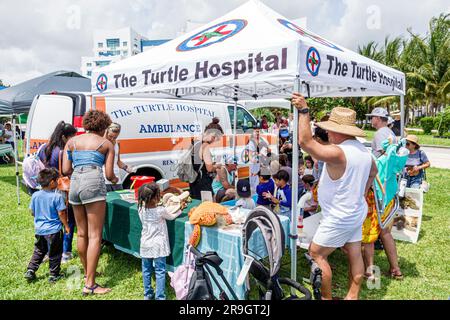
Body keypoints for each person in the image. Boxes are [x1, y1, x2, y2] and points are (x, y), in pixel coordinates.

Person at [292, 93, 377, 300]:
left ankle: (326, 298)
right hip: (355, 211)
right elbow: (373, 172)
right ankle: (352, 296)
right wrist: (362, 192)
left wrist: (304, 110)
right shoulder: (364, 152)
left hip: (340, 216)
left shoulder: (340, 152)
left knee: (316, 254)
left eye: (330, 128)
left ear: (337, 131)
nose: (328, 132)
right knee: (354, 252)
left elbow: (305, 142)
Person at [62, 110, 118, 295]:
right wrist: (116, 179)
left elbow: (65, 169)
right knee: (95, 235)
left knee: (82, 234)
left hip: (75, 182)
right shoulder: (106, 143)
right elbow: (109, 175)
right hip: (93, 180)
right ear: (103, 127)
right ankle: (90, 285)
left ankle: (88, 274)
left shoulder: (71, 142)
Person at [366, 107, 402, 281]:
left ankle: (370, 272)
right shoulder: (389, 132)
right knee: (385, 232)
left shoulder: (381, 133)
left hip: (379, 189)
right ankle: (395, 269)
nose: (371, 120)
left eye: (372, 117)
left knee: (371, 233)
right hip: (388, 189)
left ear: (378, 118)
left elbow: (380, 159)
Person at [37, 121, 78, 263]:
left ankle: (50, 251)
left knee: (52, 221)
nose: (73, 140)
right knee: (68, 221)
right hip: (62, 190)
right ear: (63, 137)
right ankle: (66, 252)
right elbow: (67, 171)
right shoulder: (63, 152)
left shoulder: (45, 148)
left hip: (46, 189)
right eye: (72, 137)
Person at [137, 183, 183, 300]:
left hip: (145, 244)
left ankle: (147, 294)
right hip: (158, 245)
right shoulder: (160, 210)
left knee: (146, 270)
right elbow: (171, 216)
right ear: (155, 197)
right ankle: (160, 296)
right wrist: (180, 210)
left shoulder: (140, 209)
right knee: (160, 271)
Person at [24, 168, 70, 283]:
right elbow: (61, 213)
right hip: (54, 231)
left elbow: (32, 212)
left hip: (39, 230)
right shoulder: (57, 197)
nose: (58, 182)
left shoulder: (35, 195)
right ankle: (54, 275)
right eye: (57, 180)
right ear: (51, 183)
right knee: (55, 252)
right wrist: (67, 226)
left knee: (39, 250)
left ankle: (30, 270)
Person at [189, 118, 224, 200]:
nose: (215, 141)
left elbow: (198, 162)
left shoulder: (195, 142)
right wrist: (217, 165)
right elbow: (209, 168)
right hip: (203, 183)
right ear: (213, 135)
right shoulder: (205, 146)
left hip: (193, 181)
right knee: (207, 207)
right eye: (217, 139)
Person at [104, 123, 135, 192]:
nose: (112, 139)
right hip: (105, 181)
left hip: (117, 180)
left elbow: (117, 161)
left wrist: (126, 168)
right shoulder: (102, 144)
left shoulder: (117, 144)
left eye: (115, 137)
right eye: (110, 136)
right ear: (106, 132)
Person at [246, 124, 271, 194]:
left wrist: (266, 151)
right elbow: (250, 155)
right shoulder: (251, 142)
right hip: (254, 165)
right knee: (254, 181)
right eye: (255, 131)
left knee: (263, 180)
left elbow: (268, 151)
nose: (257, 133)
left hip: (263, 163)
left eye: (258, 131)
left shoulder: (264, 140)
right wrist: (253, 160)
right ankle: (255, 194)